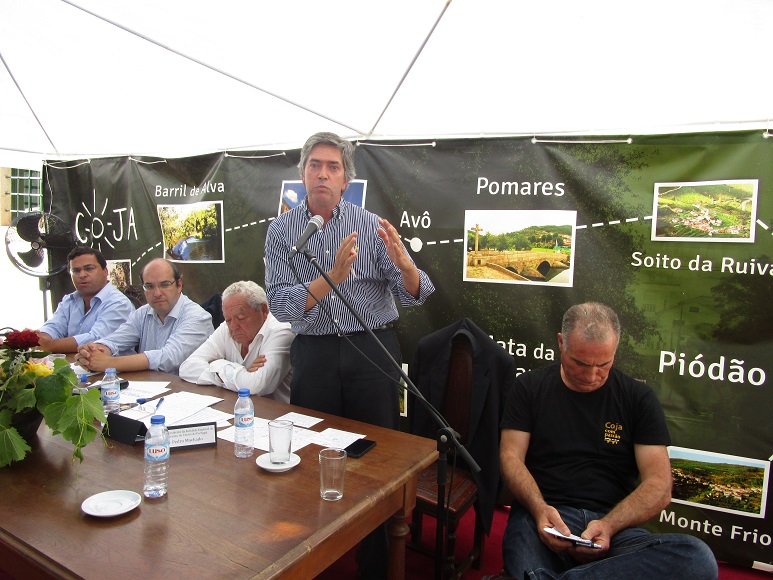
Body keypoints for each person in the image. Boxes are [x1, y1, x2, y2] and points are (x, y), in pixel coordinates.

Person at [264, 132, 434, 579]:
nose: (323, 174)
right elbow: (280, 305)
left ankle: (375, 565)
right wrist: (332, 278)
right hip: (315, 354)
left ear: (345, 179)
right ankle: (314, 560)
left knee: (374, 461)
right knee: (311, 455)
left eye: (333, 167)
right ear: (302, 174)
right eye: (315, 165)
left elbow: (414, 294)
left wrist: (406, 266)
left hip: (370, 352)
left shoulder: (370, 225)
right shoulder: (282, 231)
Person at [499, 302, 718, 580]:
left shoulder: (638, 398)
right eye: (580, 363)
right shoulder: (529, 387)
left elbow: (660, 485)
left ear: (615, 350)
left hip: (613, 526)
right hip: (542, 519)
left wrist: (610, 525)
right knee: (524, 552)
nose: (591, 376)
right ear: (561, 343)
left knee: (698, 560)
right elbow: (510, 457)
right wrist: (539, 509)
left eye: (603, 364)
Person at [75, 258, 214, 375]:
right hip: (150, 388)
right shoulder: (142, 313)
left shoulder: (197, 317)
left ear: (179, 285)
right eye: (150, 286)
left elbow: (167, 358)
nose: (157, 293)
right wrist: (93, 352)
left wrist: (109, 363)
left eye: (164, 285)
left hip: (189, 393)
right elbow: (116, 340)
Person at [179, 281, 295, 403]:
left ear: (263, 310)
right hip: (233, 405)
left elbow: (256, 386)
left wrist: (216, 364)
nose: (233, 326)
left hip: (275, 412)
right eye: (228, 320)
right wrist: (241, 371)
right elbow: (187, 368)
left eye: (241, 318)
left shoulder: (281, 331)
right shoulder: (226, 328)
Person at [35, 246, 135, 353]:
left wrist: (49, 345)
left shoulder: (119, 303)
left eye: (89, 268)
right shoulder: (69, 301)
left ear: (105, 271)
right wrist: (39, 338)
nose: (82, 275)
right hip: (75, 362)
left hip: (112, 364)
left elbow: (96, 340)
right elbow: (54, 327)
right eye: (76, 270)